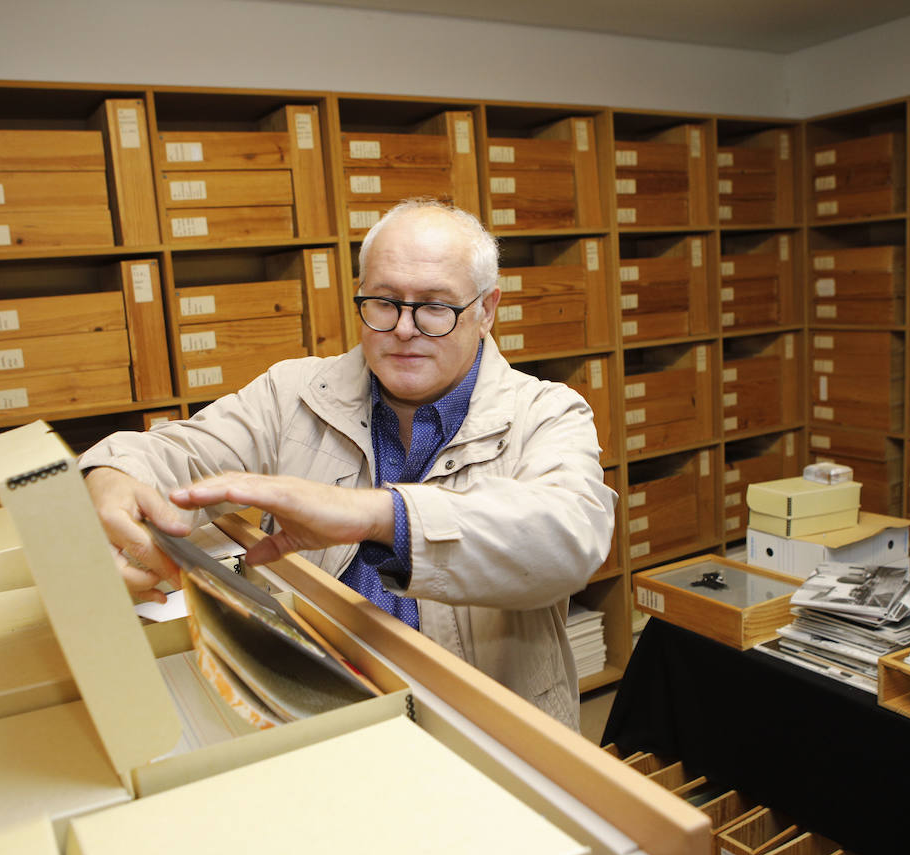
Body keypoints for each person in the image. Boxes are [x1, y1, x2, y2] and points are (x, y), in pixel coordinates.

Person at [79, 198, 615, 729]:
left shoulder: (547, 412)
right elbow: (179, 452)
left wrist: (380, 516)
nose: (404, 328)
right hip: (315, 712)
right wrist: (112, 475)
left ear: (486, 310)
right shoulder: (290, 393)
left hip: (488, 735)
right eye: (383, 301)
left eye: (434, 306)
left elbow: (568, 537)